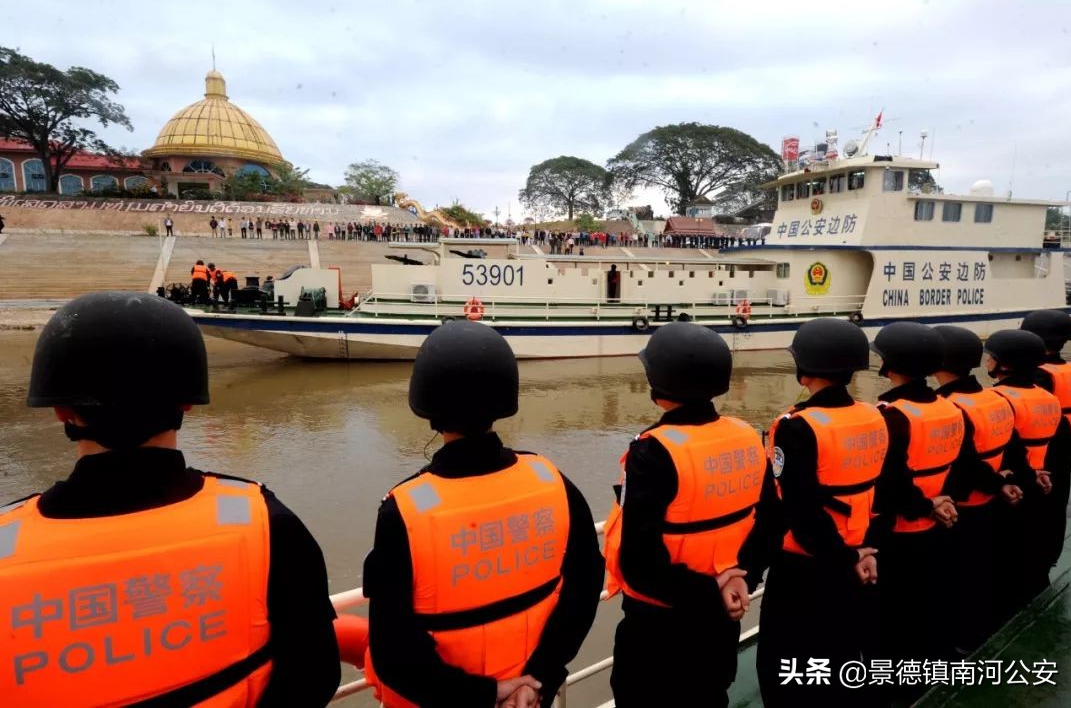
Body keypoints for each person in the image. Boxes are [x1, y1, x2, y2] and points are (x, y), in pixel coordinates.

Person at [0, 292, 340, 705]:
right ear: (187, 403)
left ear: (60, 410)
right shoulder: (265, 522)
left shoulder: (6, 544)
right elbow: (315, 675)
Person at [363, 321, 603, 708]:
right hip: (532, 695)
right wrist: (538, 678)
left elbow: (394, 654)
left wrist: (485, 695)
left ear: (426, 404)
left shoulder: (405, 510)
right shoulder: (553, 482)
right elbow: (584, 591)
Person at [604, 322, 775, 708]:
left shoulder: (653, 452)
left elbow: (639, 562)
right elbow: (768, 522)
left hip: (659, 629)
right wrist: (739, 580)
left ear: (658, 383)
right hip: (720, 622)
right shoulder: (748, 436)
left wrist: (709, 590)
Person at [756, 318, 885, 708]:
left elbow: (798, 509)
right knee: (841, 659)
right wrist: (855, 554)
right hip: (858, 554)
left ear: (804, 370)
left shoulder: (795, 426)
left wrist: (844, 558)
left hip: (805, 569)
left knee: (787, 668)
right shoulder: (873, 415)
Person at [867, 322, 963, 669]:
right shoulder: (950, 407)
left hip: (896, 532)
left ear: (890, 365)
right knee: (926, 602)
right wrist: (940, 502)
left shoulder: (890, 415)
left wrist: (923, 505)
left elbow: (889, 481)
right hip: (937, 523)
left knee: (892, 613)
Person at [932, 326, 1023, 648]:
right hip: (991, 504)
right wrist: (1002, 482)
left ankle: (959, 641)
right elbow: (1010, 449)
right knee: (982, 575)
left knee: (957, 582)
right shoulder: (994, 398)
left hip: (957, 510)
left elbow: (964, 463)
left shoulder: (948, 407)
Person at [985, 329, 1071, 603]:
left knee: (1005, 559)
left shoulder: (997, 400)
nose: (986, 362)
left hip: (1009, 489)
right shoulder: (1049, 399)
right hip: (1041, 486)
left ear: (1004, 365)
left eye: (991, 357)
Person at [1020, 309, 1071, 574]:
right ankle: (1050, 555)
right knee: (1057, 506)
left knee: (1038, 508)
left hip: (1043, 451)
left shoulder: (1039, 375)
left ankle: (1032, 560)